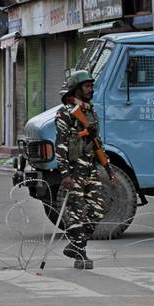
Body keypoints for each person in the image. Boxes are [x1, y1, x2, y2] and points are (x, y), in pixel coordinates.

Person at [55, 70, 107, 270]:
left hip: (90, 167)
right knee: (76, 211)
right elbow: (61, 143)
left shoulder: (90, 111)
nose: (90, 89)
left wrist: (105, 165)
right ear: (76, 89)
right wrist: (65, 173)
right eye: (86, 86)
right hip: (74, 168)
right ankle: (80, 252)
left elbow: (95, 141)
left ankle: (75, 244)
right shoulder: (66, 112)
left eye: (91, 86)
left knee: (98, 208)